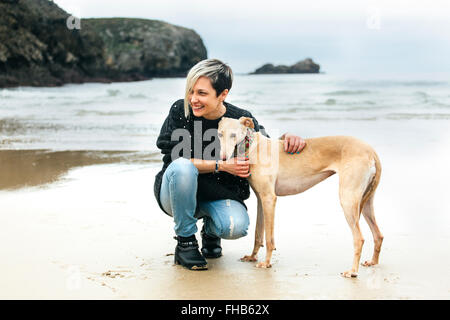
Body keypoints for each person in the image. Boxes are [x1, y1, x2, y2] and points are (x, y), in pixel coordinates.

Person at [154, 59, 305, 270]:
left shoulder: (239, 118)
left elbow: (265, 146)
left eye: (202, 93)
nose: (193, 99)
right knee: (182, 167)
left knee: (236, 227)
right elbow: (174, 159)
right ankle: (186, 242)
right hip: (176, 192)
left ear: (223, 94)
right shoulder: (181, 110)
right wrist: (221, 165)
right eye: (191, 91)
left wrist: (288, 138)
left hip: (219, 194)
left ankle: (211, 231)